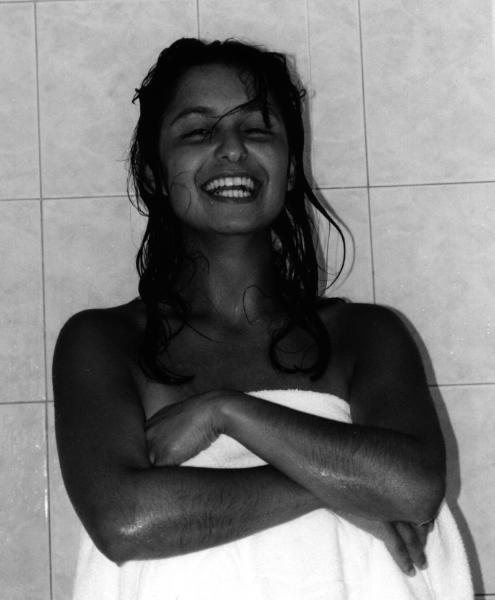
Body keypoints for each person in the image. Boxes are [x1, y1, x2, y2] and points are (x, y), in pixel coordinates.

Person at [53, 38, 473, 599]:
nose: (231, 149)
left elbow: (415, 488)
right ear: (153, 173)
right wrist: (340, 486)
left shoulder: (365, 334)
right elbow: (125, 522)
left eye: (256, 129)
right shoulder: (103, 341)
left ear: (290, 168)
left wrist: (226, 411)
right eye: (197, 132)